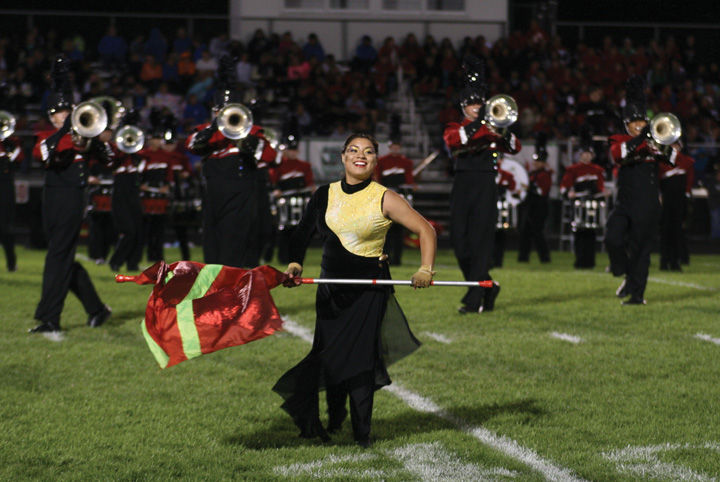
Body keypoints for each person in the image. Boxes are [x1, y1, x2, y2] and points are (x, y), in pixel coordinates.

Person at [274, 133, 436, 448]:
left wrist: (425, 269)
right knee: (329, 357)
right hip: (331, 289)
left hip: (368, 290)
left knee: (360, 361)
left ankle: (362, 434)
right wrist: (295, 264)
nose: (360, 155)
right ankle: (335, 421)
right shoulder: (324, 194)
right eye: (354, 150)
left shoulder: (385, 196)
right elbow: (302, 232)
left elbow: (425, 229)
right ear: (344, 157)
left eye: (368, 152)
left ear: (375, 160)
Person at [30, 56, 112, 334]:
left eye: (67, 112)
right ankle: (97, 309)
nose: (63, 116)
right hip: (51, 199)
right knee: (62, 256)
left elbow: (110, 159)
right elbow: (43, 156)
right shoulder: (46, 136)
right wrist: (64, 130)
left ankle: (50, 317)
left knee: (58, 256)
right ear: (52, 116)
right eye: (59, 113)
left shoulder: (85, 138)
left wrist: (94, 141)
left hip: (72, 199)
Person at [443, 55, 521, 314]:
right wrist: (481, 122)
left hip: (486, 185)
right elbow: (455, 141)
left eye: (480, 104)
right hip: (463, 185)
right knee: (459, 240)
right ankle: (486, 285)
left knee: (479, 241)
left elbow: (514, 147)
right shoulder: (457, 126)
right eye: (472, 104)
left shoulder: (494, 129)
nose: (477, 107)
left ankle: (475, 296)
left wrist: (503, 129)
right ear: (463, 107)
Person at [186, 55, 276, 267]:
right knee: (212, 239)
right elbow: (192, 145)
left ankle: (230, 285)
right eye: (219, 111)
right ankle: (214, 284)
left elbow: (271, 156)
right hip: (212, 192)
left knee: (233, 239)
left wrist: (247, 140)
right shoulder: (206, 132)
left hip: (241, 192)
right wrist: (214, 127)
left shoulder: (252, 132)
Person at [605, 76, 677, 305]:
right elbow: (618, 155)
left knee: (641, 249)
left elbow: (674, 159)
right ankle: (622, 270)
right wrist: (641, 141)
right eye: (634, 122)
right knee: (612, 237)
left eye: (642, 122)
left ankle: (637, 295)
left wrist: (658, 145)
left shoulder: (654, 142)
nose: (639, 125)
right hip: (624, 202)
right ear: (626, 124)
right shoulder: (619, 139)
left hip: (647, 203)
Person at [559, 135, 606, 269]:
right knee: (579, 233)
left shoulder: (597, 170)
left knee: (591, 233)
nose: (586, 157)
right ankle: (579, 261)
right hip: (579, 205)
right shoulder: (573, 170)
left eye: (588, 154)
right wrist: (569, 193)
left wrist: (603, 192)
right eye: (583, 154)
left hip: (592, 205)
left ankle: (590, 262)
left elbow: (600, 187)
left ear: (592, 155)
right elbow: (565, 186)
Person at [269, 132, 315, 265]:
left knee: (300, 232)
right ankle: (283, 258)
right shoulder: (278, 166)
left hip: (299, 205)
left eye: (294, 149)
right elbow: (273, 183)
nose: (292, 152)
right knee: (284, 231)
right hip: (284, 206)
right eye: (290, 149)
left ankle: (297, 258)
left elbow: (309, 184)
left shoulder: (305, 166)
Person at [109, 110, 145, 272]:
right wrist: (123, 150)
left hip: (134, 188)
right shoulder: (115, 149)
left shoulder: (139, 151)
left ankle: (133, 263)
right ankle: (116, 261)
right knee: (128, 230)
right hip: (121, 188)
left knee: (138, 229)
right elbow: (110, 162)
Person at [374, 137, 415, 265]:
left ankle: (397, 259)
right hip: (386, 198)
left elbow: (409, 182)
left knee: (398, 230)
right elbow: (376, 180)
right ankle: (385, 257)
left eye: (397, 146)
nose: (395, 149)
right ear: (390, 147)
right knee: (385, 230)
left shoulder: (406, 162)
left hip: (400, 199)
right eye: (393, 146)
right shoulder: (381, 161)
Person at [658, 139, 695, 270]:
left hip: (680, 201)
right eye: (671, 145)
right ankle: (664, 261)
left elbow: (689, 183)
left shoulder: (687, 162)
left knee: (678, 231)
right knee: (665, 231)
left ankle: (676, 261)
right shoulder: (662, 161)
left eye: (676, 145)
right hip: (666, 201)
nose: (674, 147)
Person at [517, 134, 552, 264]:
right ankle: (523, 257)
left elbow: (542, 191)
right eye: (535, 161)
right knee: (525, 231)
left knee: (538, 232)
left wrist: (528, 187)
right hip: (530, 205)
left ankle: (544, 257)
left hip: (540, 206)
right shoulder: (532, 174)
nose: (535, 164)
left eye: (538, 162)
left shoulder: (545, 175)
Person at [0, 115, 24, 272]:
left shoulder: (11, 143)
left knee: (5, 228)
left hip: (4, 188)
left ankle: (11, 262)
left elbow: (19, 159)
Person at [492, 157, 517, 268]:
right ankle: (488, 261)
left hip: (501, 209)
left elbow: (513, 189)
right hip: (488, 207)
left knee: (501, 235)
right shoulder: (485, 175)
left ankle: (498, 261)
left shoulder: (507, 175)